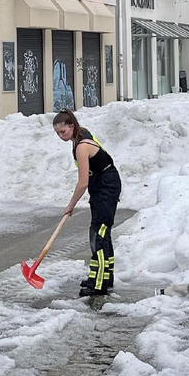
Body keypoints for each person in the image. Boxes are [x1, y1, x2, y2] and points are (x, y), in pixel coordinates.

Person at [53, 110, 122, 298]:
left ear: (72, 126)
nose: (61, 136)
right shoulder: (81, 134)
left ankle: (99, 285)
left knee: (98, 233)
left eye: (63, 132)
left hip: (105, 186)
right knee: (101, 232)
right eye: (57, 133)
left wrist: (71, 205)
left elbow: (82, 181)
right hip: (103, 183)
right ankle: (104, 278)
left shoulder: (82, 146)